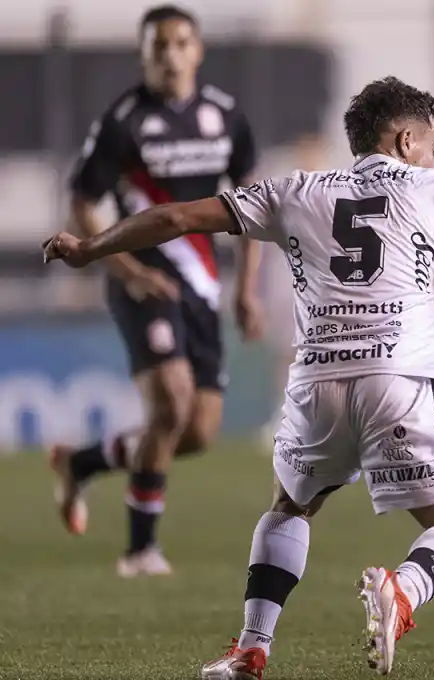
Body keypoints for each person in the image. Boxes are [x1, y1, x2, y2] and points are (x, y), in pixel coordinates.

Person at [43, 76, 434, 680]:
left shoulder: (294, 189)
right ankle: (401, 592)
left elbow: (171, 216)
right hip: (401, 380)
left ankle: (251, 648)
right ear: (407, 140)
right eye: (433, 144)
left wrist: (91, 249)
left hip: (317, 385)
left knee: (289, 508)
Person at [48, 3, 263, 578]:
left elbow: (252, 207)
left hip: (202, 286)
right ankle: (140, 550)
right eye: (159, 45)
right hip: (144, 284)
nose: (170, 54)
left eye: (180, 43)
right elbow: (82, 203)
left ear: (198, 51)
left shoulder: (226, 118)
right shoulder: (123, 121)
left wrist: (247, 291)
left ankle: (83, 462)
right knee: (170, 404)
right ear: (143, 53)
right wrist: (124, 270)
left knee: (197, 431)